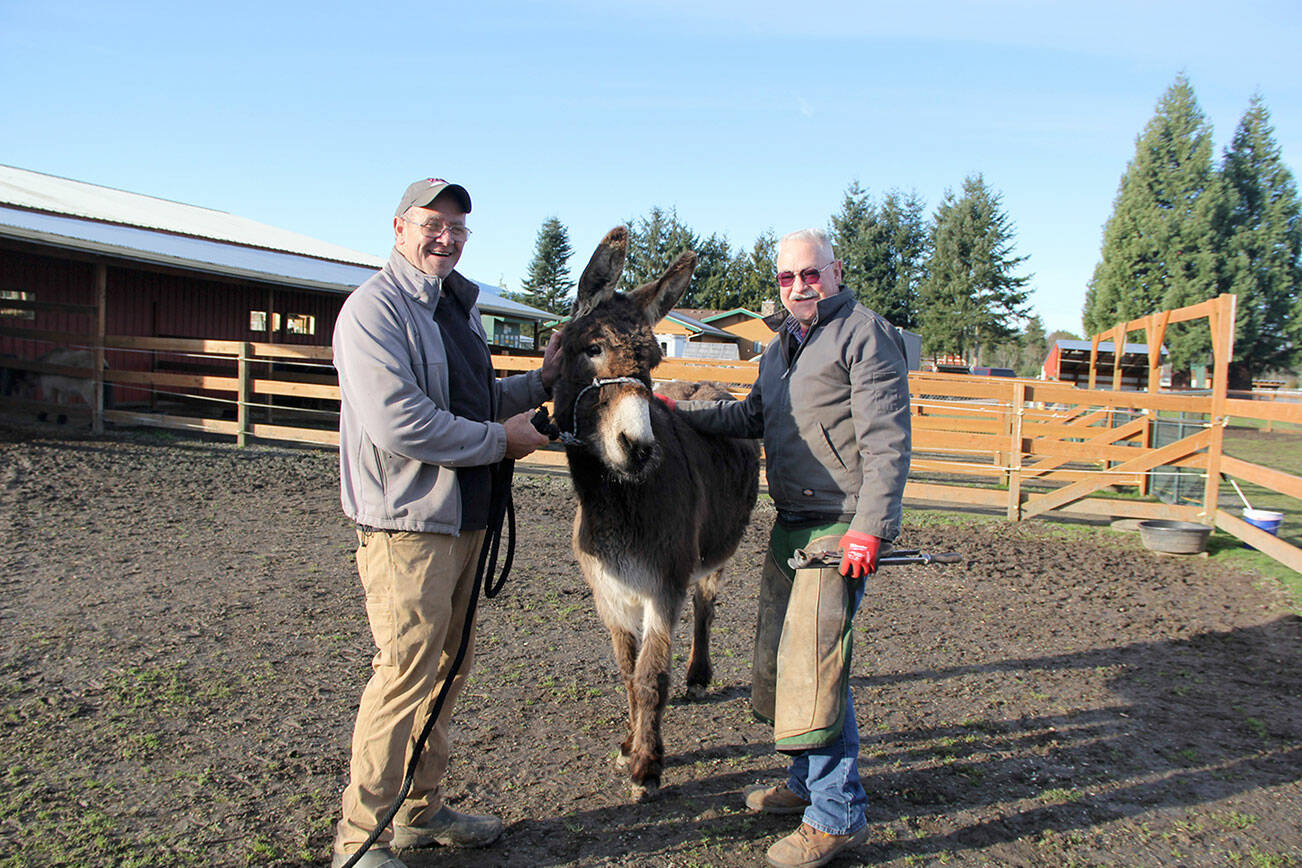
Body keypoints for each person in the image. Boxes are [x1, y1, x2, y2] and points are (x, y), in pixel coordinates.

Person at [662, 227, 911, 868]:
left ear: (833, 270)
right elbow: (750, 418)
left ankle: (837, 815)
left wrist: (870, 528)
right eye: (786, 277)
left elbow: (887, 440)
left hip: (840, 524)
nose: (799, 286)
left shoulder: (863, 335)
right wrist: (676, 414)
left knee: (817, 666)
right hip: (794, 519)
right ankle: (806, 785)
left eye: (810, 273)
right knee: (781, 660)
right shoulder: (780, 349)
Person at [330, 178, 559, 868]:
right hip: (408, 528)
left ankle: (420, 813)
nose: (447, 237)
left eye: (458, 227)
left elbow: (477, 400)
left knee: (445, 672)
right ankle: (358, 840)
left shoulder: (454, 312)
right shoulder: (374, 312)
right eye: (433, 224)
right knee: (403, 673)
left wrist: (544, 383)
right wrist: (503, 442)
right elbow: (402, 423)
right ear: (399, 228)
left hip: (463, 518)